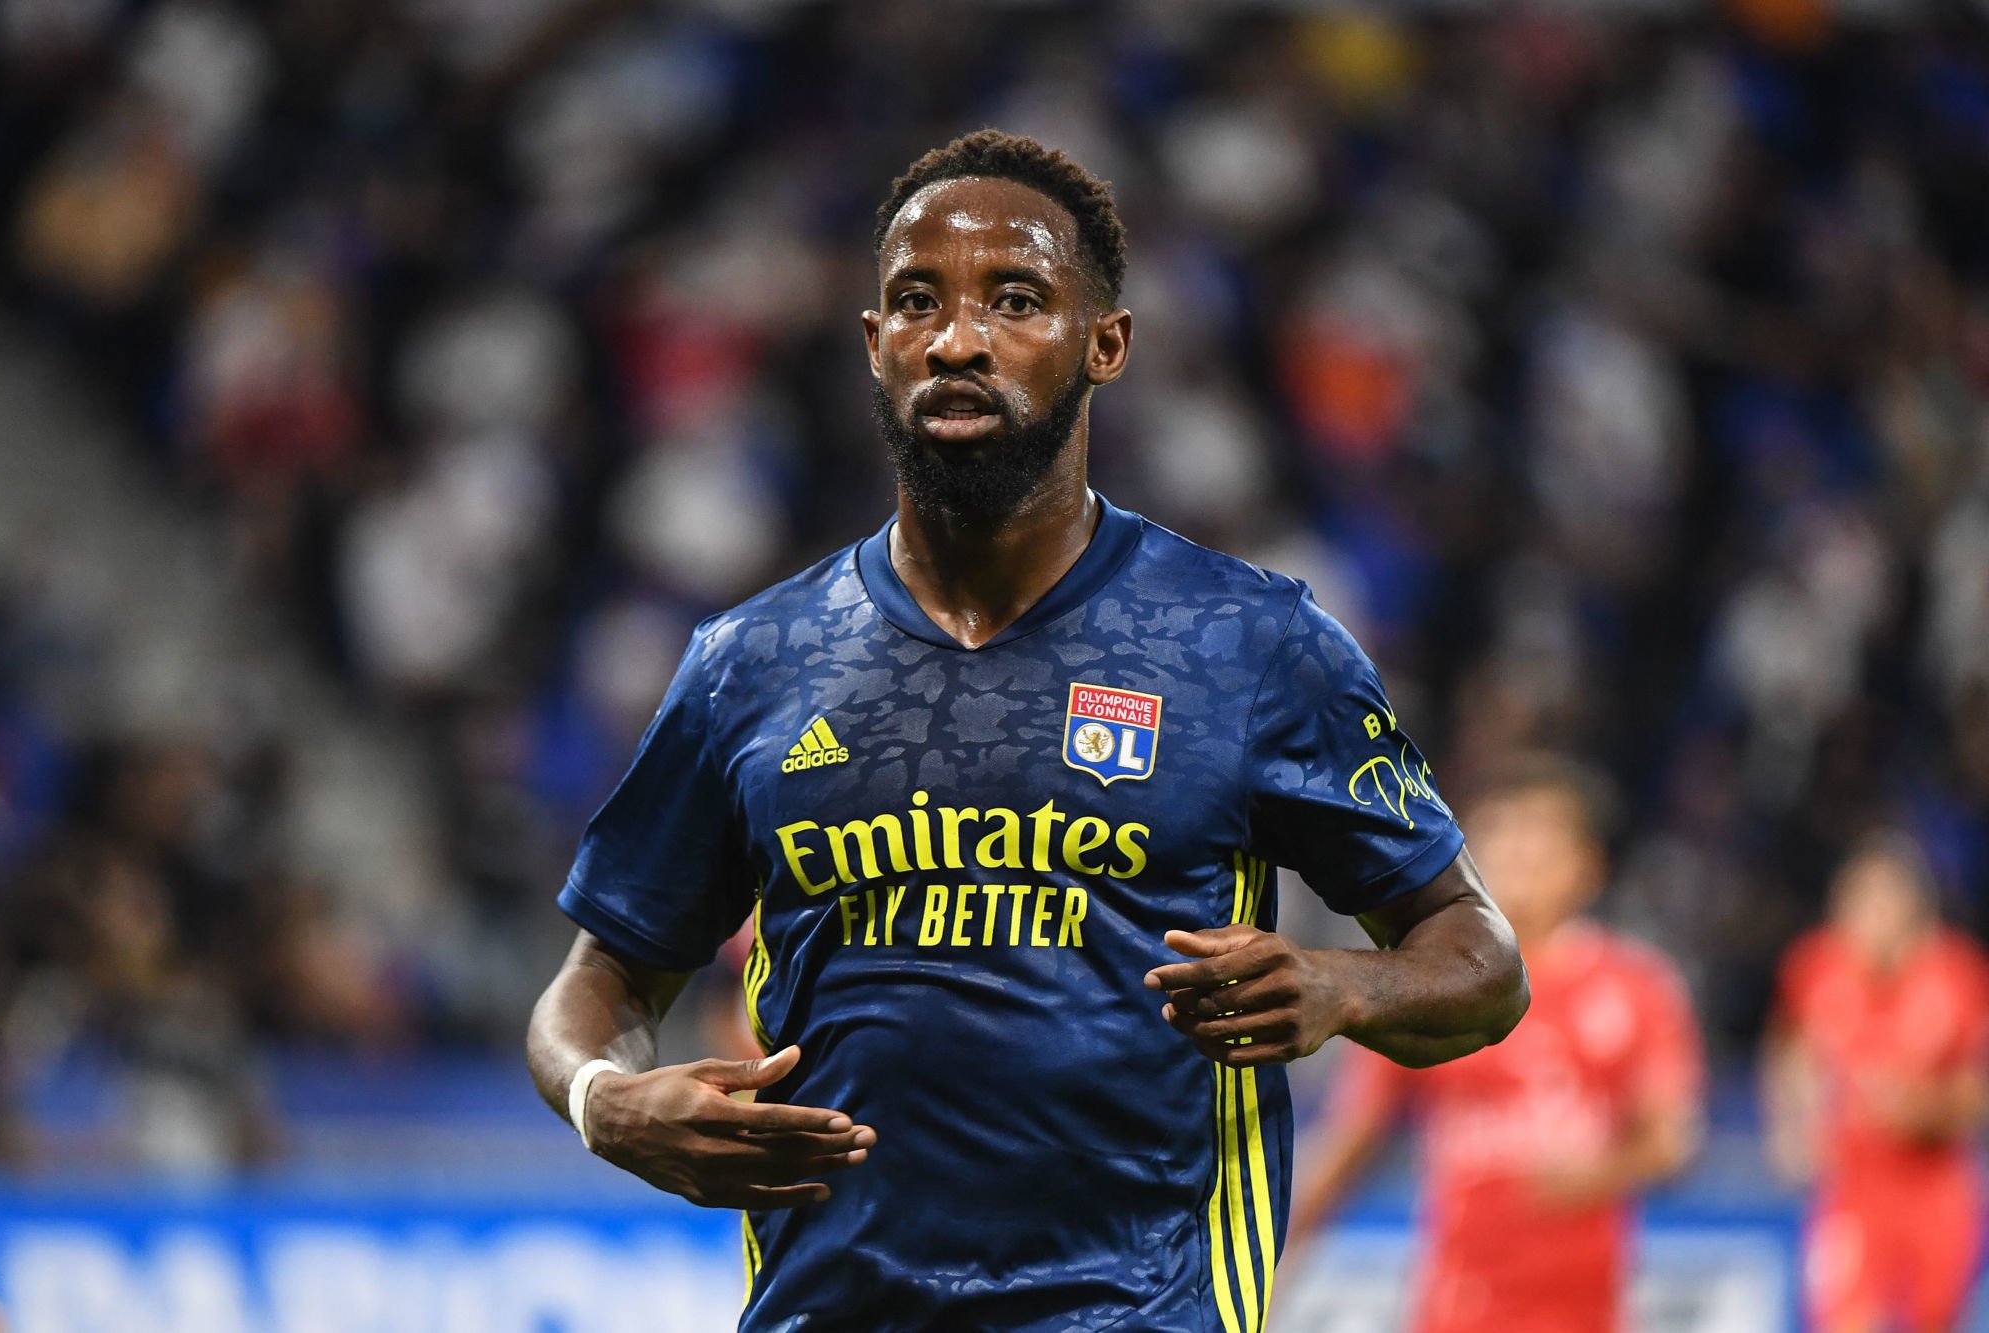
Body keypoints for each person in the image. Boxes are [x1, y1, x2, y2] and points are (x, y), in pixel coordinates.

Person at [525, 129, 1529, 1333]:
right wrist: (605, 1101)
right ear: (873, 345)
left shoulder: (1249, 644)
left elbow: (1480, 959)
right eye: (916, 303)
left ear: (1103, 343)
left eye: (1014, 299)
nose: (957, 339)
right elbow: (599, 981)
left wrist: (1341, 982)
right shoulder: (752, 662)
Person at [1284, 755, 1703, 1333]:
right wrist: (1280, 1251)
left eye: (1541, 843)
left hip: (1584, 1312)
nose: (1519, 859)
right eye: (1503, 840)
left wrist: (1597, 1174)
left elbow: (1671, 1142)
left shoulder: (1639, 987)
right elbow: (1353, 1137)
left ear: (1588, 866)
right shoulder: (1426, 981)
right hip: (1456, 1308)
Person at [1763, 830, 1989, 1333]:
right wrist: (1790, 1129)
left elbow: (1977, 1093)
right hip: (1852, 1187)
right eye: (1856, 902)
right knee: (1845, 1320)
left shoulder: (1959, 974)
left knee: (1935, 1320)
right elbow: (1787, 1050)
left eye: (1884, 902)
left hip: (1936, 1186)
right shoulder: (1815, 966)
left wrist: (1924, 1111)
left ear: (1916, 911)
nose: (1868, 918)